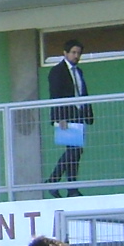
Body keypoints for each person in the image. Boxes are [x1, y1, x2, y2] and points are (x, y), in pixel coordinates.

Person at [45, 40, 91, 194]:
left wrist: (87, 113)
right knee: (74, 150)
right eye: (73, 52)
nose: (76, 56)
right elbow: (55, 94)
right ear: (65, 53)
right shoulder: (57, 71)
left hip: (78, 114)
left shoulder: (79, 71)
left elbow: (83, 93)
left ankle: (71, 188)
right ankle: (54, 181)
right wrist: (59, 117)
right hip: (66, 116)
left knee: (75, 151)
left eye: (78, 53)